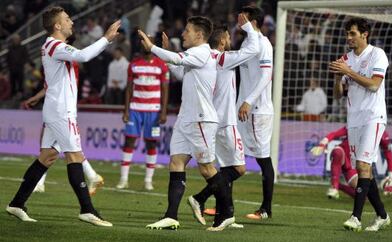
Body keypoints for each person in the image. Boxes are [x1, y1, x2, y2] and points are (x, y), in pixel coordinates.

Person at [5, 6, 120, 227]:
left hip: (56, 109)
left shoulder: (53, 46)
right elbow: (84, 55)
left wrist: (39, 95)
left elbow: (53, 80)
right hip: (61, 111)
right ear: (57, 25)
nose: (71, 22)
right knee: (75, 156)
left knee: (47, 157)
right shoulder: (55, 45)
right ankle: (87, 210)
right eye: (67, 19)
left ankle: (17, 204)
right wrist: (105, 38)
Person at [138, 16, 233, 231]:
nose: (183, 34)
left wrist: (153, 48)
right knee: (176, 162)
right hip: (186, 118)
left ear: (199, 35)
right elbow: (180, 71)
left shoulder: (201, 52)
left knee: (207, 169)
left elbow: (179, 60)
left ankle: (227, 213)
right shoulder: (196, 56)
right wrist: (167, 55)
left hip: (201, 118)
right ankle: (171, 216)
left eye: (187, 31)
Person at [187, 14, 259, 229]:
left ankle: (225, 214)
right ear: (221, 41)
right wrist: (247, 26)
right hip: (226, 121)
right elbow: (253, 48)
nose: (230, 41)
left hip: (211, 121)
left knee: (224, 170)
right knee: (238, 169)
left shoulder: (205, 60)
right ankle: (201, 199)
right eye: (228, 38)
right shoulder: (223, 59)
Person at [330, 17, 390, 232]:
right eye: (347, 34)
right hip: (353, 120)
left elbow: (374, 85)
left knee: (363, 166)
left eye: (352, 33)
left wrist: (348, 72)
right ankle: (382, 215)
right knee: (365, 169)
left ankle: (356, 217)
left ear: (365, 34)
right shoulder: (346, 59)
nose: (348, 38)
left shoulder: (377, 54)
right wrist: (338, 78)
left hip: (373, 117)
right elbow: (338, 95)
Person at [236, 5, 274, 220]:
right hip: (243, 109)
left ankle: (266, 209)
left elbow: (266, 76)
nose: (239, 20)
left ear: (254, 22)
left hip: (257, 110)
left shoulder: (263, 44)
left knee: (263, 160)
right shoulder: (248, 42)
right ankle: (224, 206)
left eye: (244, 18)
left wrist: (249, 102)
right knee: (231, 155)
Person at [116, 37, 169, 191]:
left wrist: (163, 111)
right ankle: (124, 179)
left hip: (153, 110)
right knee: (129, 142)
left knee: (151, 143)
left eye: (148, 41)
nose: (145, 44)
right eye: (143, 41)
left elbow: (165, 89)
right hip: (135, 109)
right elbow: (129, 88)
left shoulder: (162, 65)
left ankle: (148, 180)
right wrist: (126, 110)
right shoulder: (133, 64)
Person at [311, 126, 392, 199]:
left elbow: (388, 154)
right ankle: (334, 187)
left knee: (364, 195)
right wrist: (322, 144)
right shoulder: (356, 124)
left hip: (357, 165)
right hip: (344, 156)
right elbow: (334, 134)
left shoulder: (381, 133)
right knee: (337, 152)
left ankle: (339, 185)